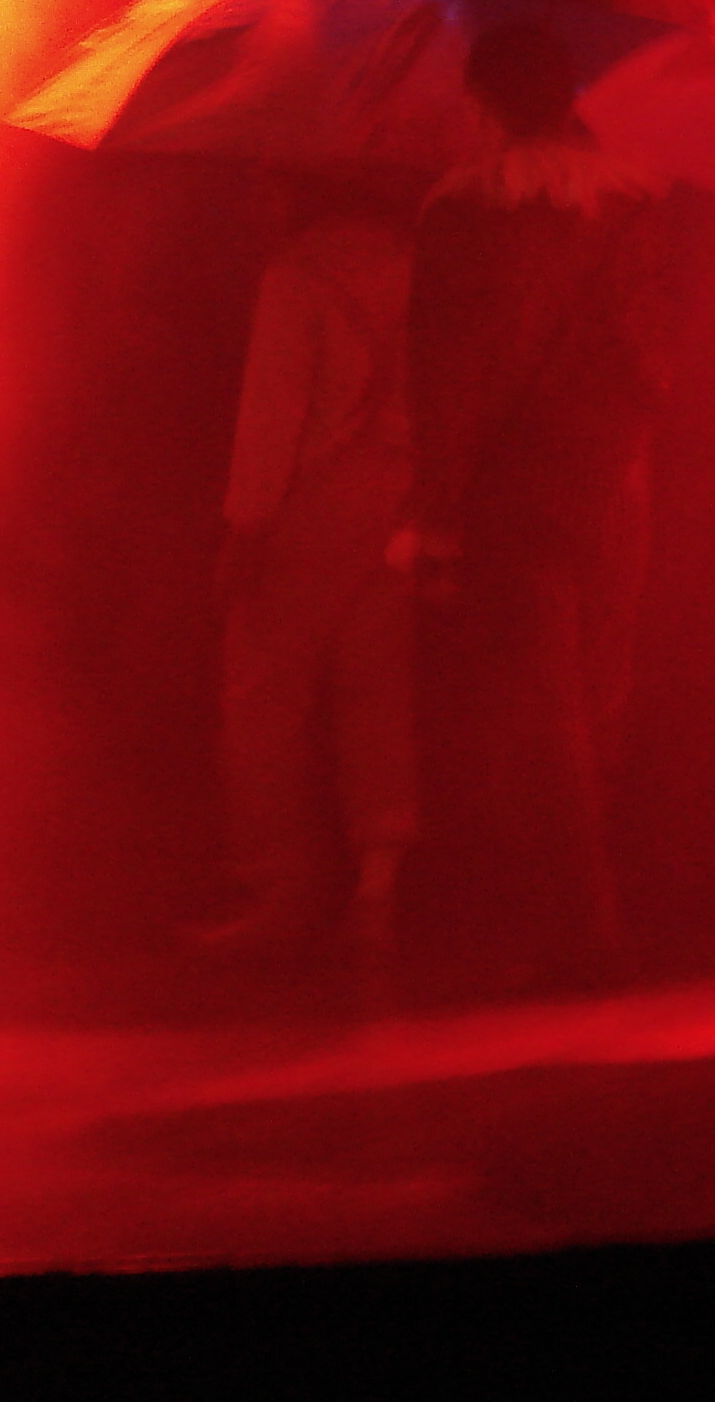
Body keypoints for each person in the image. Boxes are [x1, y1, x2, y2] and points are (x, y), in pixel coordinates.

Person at [392, 21, 674, 995]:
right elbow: (653, 360)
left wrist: (433, 512)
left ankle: (579, 934)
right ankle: (588, 923)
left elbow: (451, 375)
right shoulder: (633, 205)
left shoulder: (467, 213)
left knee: (538, 717)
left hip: (515, 491)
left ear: (484, 103)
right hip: (615, 481)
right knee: (596, 704)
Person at [199, 179, 418, 960]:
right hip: (397, 496)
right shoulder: (419, 262)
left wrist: (246, 527)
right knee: (377, 688)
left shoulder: (296, 276)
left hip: (312, 500)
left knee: (263, 695)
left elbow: (273, 412)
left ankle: (280, 888)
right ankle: (379, 885)